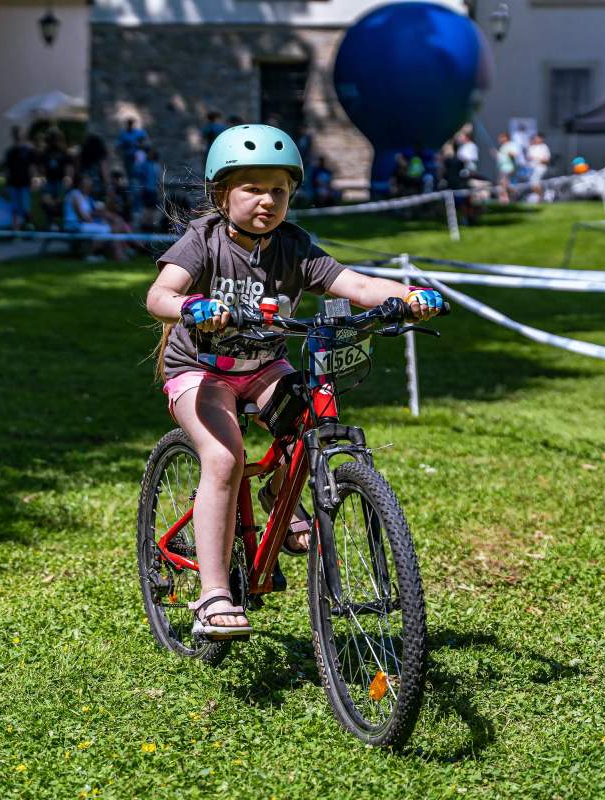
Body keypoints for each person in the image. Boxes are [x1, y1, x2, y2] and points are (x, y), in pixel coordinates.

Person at [145, 124, 443, 637]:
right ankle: (213, 593)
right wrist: (193, 306)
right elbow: (159, 295)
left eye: (278, 190)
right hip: (200, 371)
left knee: (308, 422)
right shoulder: (205, 240)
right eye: (252, 189)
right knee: (223, 458)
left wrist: (408, 294)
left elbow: (355, 283)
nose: (267, 200)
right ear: (221, 194)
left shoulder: (294, 246)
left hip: (262, 367)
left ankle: (280, 504)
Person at [63, 173, 128, 262]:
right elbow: (82, 216)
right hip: (75, 225)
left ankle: (115, 253)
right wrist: (97, 221)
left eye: (90, 185)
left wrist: (107, 216)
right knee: (108, 230)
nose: (89, 187)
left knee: (109, 228)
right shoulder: (75, 195)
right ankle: (92, 254)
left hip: (83, 224)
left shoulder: (87, 197)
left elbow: (98, 212)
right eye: (87, 185)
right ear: (80, 184)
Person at [39, 128, 74, 230]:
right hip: (49, 181)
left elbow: (69, 168)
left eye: (55, 138)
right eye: (52, 138)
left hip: (60, 181)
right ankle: (51, 223)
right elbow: (42, 170)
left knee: (60, 201)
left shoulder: (64, 152)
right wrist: (43, 182)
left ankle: (61, 224)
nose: (54, 141)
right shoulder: (45, 152)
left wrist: (67, 179)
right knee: (47, 201)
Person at [3, 126, 36, 231]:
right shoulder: (10, 152)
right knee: (15, 207)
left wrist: (33, 180)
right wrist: (6, 183)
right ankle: (16, 229)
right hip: (13, 183)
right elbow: (7, 170)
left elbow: (32, 167)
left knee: (25, 207)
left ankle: (29, 226)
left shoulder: (28, 151)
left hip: (25, 182)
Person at [494, 132, 520, 204]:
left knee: (503, 183)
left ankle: (505, 199)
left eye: (501, 137)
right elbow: (502, 158)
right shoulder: (502, 146)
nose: (499, 139)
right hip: (502, 168)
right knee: (503, 184)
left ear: (506, 137)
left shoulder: (511, 144)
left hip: (508, 168)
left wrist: (509, 153)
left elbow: (515, 154)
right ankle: (514, 194)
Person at [526, 133, 551, 200]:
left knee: (535, 184)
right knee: (532, 184)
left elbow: (546, 160)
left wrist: (537, 159)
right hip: (531, 169)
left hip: (540, 168)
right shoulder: (531, 147)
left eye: (538, 138)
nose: (536, 139)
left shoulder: (544, 147)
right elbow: (529, 158)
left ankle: (541, 197)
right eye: (535, 138)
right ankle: (541, 197)